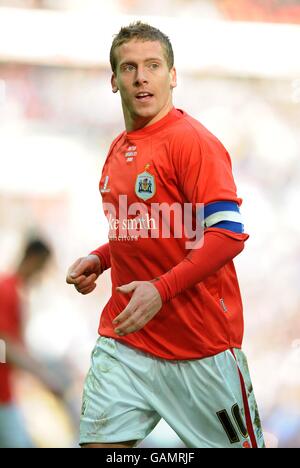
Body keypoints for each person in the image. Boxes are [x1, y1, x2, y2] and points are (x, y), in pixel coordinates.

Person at [66, 21, 265, 449]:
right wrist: (102, 260)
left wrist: (161, 289)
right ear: (114, 80)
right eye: (129, 67)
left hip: (200, 348)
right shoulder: (119, 148)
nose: (141, 77)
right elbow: (149, 226)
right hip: (126, 342)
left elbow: (228, 234)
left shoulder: (193, 142)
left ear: (172, 76)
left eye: (153, 66)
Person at [0, 238, 64, 448]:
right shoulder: (7, 289)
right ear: (34, 259)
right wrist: (44, 377)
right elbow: (5, 346)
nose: (42, 273)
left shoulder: (14, 290)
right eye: (43, 265)